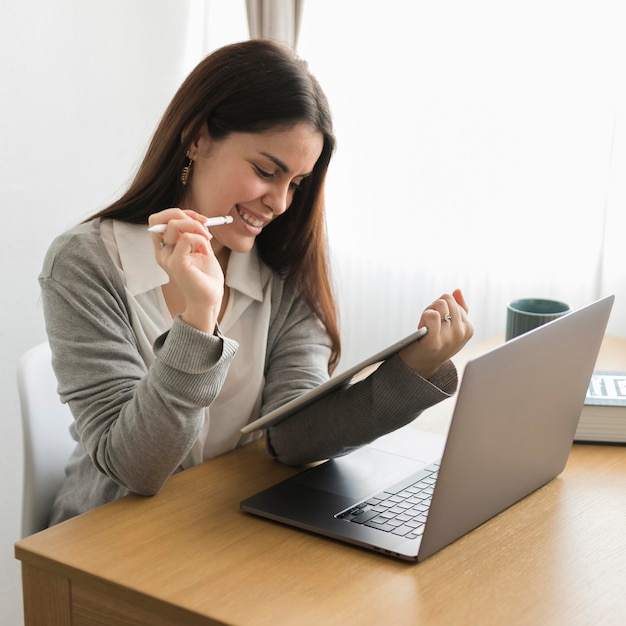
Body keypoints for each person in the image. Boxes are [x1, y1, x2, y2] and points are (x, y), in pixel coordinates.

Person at [40, 39, 473, 526]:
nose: (281, 203)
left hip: (226, 524)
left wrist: (413, 368)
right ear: (197, 138)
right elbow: (136, 467)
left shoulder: (283, 265)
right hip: (107, 538)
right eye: (267, 171)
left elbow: (294, 437)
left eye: (295, 183)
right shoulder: (85, 263)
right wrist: (199, 322)